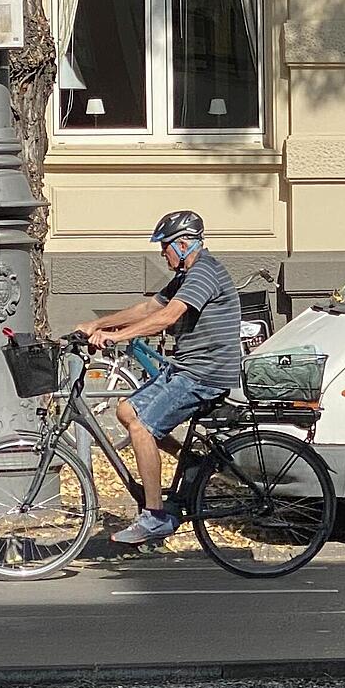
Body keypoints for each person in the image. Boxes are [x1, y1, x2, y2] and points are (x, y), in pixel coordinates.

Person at [74, 210, 245, 545]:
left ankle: (155, 516)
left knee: (141, 426)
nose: (162, 253)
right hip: (188, 368)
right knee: (126, 410)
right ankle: (193, 460)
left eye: (165, 246)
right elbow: (149, 308)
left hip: (204, 373)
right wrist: (99, 324)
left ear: (183, 244)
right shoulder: (186, 276)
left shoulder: (204, 273)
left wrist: (116, 337)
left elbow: (167, 317)